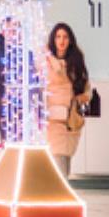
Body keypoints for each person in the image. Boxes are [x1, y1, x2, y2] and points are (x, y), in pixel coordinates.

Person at [45, 23, 92, 178]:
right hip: (52, 119)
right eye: (58, 37)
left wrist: (81, 98)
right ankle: (58, 192)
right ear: (53, 39)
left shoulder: (76, 60)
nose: (61, 41)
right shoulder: (45, 62)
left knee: (65, 162)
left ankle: (61, 191)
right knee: (58, 163)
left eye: (65, 37)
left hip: (71, 119)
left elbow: (86, 87)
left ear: (70, 40)